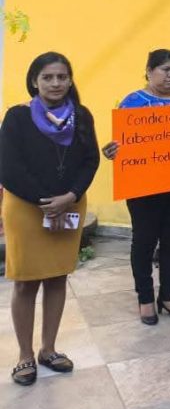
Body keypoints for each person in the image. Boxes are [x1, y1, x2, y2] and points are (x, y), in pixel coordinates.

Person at [1, 53, 99, 386]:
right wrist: (45, 202)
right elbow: (9, 167)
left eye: (61, 76)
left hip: (69, 205)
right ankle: (24, 356)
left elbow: (90, 160)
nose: (55, 83)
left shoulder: (81, 116)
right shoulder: (17, 117)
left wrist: (70, 196)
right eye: (47, 77)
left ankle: (49, 349)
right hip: (27, 209)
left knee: (57, 277)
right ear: (34, 81)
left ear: (70, 80)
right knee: (26, 281)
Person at [102, 49, 170, 326]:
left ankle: (168, 296)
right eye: (165, 69)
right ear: (148, 71)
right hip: (143, 187)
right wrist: (113, 151)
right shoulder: (133, 102)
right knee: (144, 242)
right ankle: (145, 298)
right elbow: (122, 143)